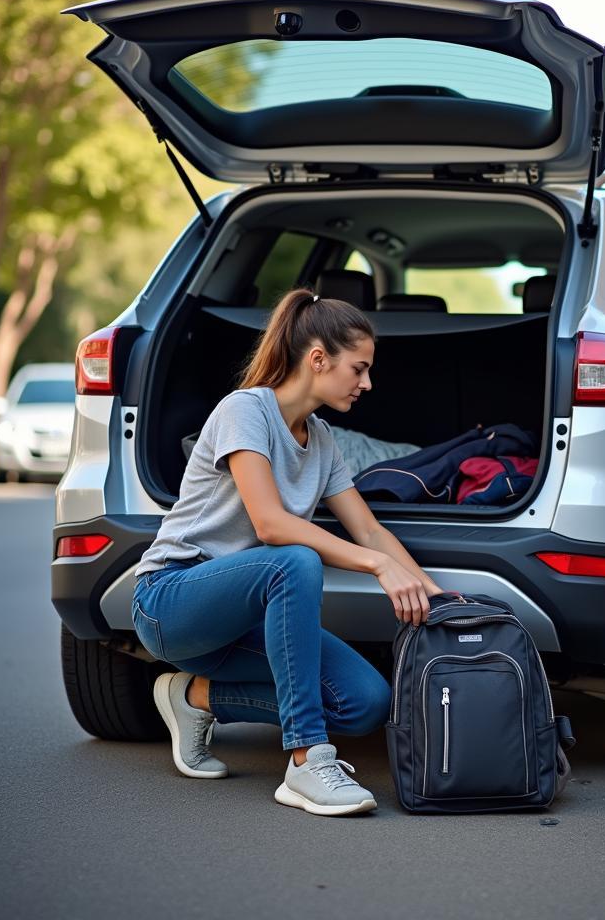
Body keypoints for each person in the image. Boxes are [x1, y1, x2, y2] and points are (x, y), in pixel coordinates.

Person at [131, 289, 443, 814]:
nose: (367, 383)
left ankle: (194, 698)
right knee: (294, 559)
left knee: (365, 702)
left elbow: (369, 532)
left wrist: (440, 598)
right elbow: (271, 525)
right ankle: (305, 762)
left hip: (241, 620)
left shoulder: (321, 439)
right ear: (318, 360)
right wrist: (377, 567)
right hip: (171, 601)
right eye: (359, 369)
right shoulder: (244, 410)